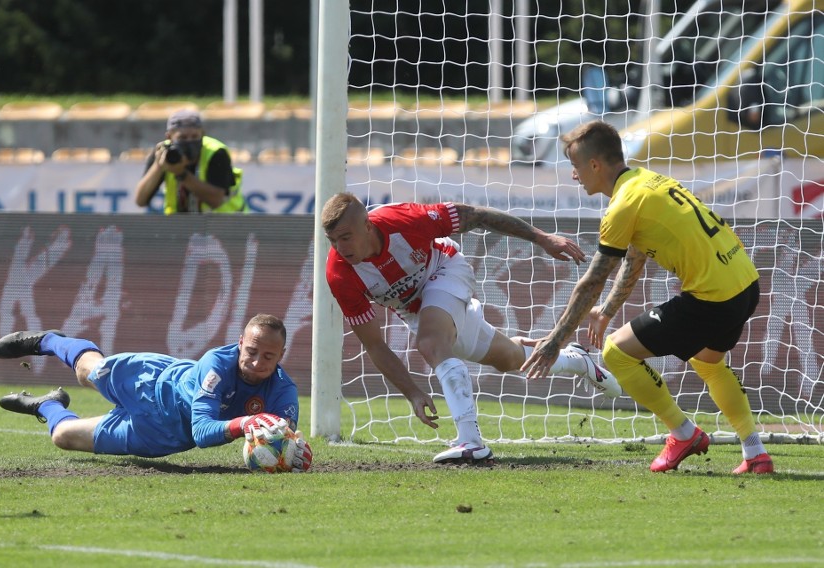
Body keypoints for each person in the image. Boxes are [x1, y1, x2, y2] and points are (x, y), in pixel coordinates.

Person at [522, 120, 773, 474]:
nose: (574, 176)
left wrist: (554, 342)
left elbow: (591, 281)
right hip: (746, 284)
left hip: (712, 298)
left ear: (594, 165)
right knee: (708, 363)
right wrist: (607, 309)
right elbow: (636, 256)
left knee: (616, 353)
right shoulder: (645, 181)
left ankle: (683, 433)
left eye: (576, 167)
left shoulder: (622, 203)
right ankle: (755, 452)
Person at [321, 192, 622, 464]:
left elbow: (476, 215)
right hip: (414, 310)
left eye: (345, 237)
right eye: (333, 240)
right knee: (509, 359)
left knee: (430, 343)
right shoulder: (339, 275)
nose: (339, 248)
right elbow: (374, 345)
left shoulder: (406, 220)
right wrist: (412, 392)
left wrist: (542, 238)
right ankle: (577, 360)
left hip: (445, 269)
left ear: (367, 226)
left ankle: (471, 441)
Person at [0, 314, 311, 471]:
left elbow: (284, 439)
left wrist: (296, 454)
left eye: (268, 357)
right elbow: (203, 430)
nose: (257, 362)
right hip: (151, 383)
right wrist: (244, 424)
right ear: (240, 342)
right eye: (252, 350)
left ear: (281, 356)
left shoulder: (284, 391)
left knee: (62, 437)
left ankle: (48, 406)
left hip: (164, 436)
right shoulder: (216, 365)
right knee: (86, 372)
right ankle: (47, 341)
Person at [134, 109, 249, 214]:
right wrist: (158, 167)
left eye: (195, 137)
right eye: (182, 138)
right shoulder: (163, 153)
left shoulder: (215, 152)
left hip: (227, 223)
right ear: (169, 137)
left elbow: (216, 200)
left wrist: (181, 174)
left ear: (202, 135)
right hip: (184, 227)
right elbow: (141, 200)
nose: (189, 142)